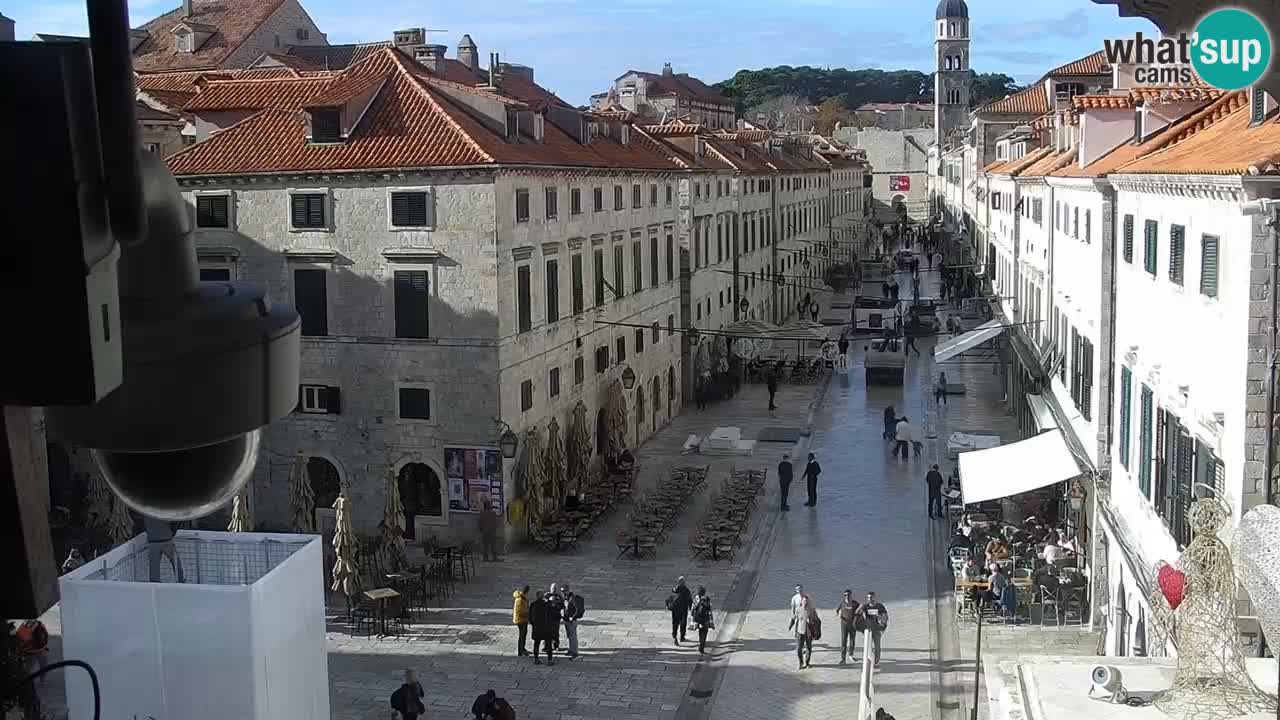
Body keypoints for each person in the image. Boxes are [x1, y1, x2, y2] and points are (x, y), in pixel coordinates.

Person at [143, 515, 185, 583]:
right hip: (167, 540)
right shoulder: (163, 511)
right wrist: (171, 534)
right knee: (176, 562)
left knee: (154, 568)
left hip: (153, 541)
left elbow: (145, 525)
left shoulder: (146, 512)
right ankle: (181, 581)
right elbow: (174, 522)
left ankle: (155, 585)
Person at [859, 592, 889, 666]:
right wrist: (860, 607)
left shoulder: (880, 606)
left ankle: (876, 662)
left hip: (877, 630)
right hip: (868, 630)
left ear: (875, 598)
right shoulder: (865, 606)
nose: (870, 599)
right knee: (868, 647)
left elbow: (885, 617)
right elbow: (857, 613)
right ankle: (867, 661)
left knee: (877, 647)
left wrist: (883, 627)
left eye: (871, 597)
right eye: (869, 597)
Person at [789, 593, 817, 670]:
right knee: (798, 649)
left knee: (809, 648)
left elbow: (816, 621)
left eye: (806, 601)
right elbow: (794, 618)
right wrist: (790, 626)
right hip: (800, 632)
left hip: (809, 633)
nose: (805, 603)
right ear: (801, 602)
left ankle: (807, 663)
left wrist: (815, 631)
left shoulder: (811, 611)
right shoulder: (798, 609)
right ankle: (800, 663)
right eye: (804, 601)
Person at [528, 589, 553, 665]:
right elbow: (552, 613)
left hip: (536, 628)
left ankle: (536, 659)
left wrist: (533, 624)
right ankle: (549, 660)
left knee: (536, 644)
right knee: (548, 644)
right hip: (546, 628)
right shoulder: (546, 604)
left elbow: (530, 617)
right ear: (542, 596)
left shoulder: (533, 604)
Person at [836, 589, 861, 664]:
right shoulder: (842, 603)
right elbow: (837, 610)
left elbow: (860, 610)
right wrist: (838, 614)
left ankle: (851, 655)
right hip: (844, 625)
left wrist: (858, 617)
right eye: (845, 595)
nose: (847, 596)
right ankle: (843, 659)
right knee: (843, 641)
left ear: (851, 595)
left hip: (853, 625)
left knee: (852, 640)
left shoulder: (855, 603)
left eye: (848, 595)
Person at [669, 576, 693, 644]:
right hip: (683, 610)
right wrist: (691, 608)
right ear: (684, 583)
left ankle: (674, 636)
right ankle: (682, 637)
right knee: (683, 623)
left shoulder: (674, 590)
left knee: (675, 623)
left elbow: (670, 599)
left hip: (675, 610)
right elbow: (690, 600)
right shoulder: (686, 590)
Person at [691, 586, 715, 654]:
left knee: (700, 632)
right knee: (705, 632)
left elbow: (693, 608)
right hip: (705, 619)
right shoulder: (707, 598)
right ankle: (702, 646)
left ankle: (701, 644)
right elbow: (709, 609)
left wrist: (693, 615)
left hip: (698, 618)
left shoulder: (697, 598)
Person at [562, 585, 583, 659]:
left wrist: (573, 618)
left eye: (564, 591)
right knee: (569, 636)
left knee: (573, 636)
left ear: (568, 590)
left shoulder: (573, 598)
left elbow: (577, 610)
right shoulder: (565, 598)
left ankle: (575, 652)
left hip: (572, 621)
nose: (563, 592)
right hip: (566, 620)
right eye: (562, 591)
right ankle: (570, 649)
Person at [545, 586, 564, 654]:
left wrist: (556, 603)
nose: (554, 590)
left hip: (556, 618)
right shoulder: (547, 595)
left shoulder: (558, 596)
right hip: (548, 618)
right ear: (550, 589)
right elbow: (544, 604)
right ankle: (546, 645)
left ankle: (556, 645)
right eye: (553, 589)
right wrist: (548, 599)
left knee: (556, 632)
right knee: (547, 632)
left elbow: (562, 605)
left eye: (555, 589)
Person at [512, 585, 530, 657]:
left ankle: (523, 648)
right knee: (522, 635)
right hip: (520, 620)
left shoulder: (523, 598)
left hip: (524, 619)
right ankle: (520, 651)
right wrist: (528, 612)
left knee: (524, 634)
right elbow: (520, 611)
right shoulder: (519, 599)